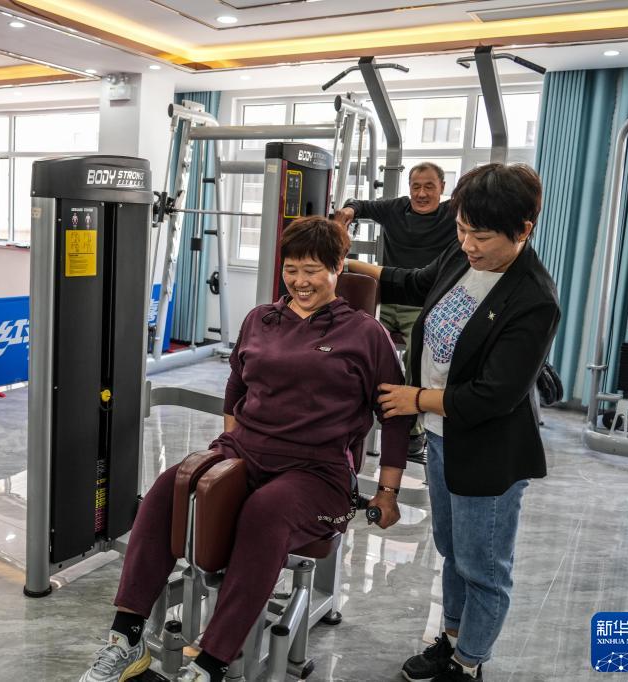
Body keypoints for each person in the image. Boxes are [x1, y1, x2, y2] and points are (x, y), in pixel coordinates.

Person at [79, 216, 411, 682]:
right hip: (246, 451)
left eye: (312, 270)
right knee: (166, 489)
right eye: (291, 269)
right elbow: (236, 386)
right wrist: (233, 446)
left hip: (317, 471)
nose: (300, 281)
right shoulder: (261, 319)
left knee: (265, 513)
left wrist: (388, 492)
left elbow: (396, 416)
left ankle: (211, 664)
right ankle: (126, 638)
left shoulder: (366, 334)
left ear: (338, 268)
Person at [345, 163, 560, 682]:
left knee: (483, 566)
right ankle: (452, 638)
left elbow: (493, 396)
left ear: (523, 229)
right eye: (462, 230)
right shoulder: (462, 254)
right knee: (452, 551)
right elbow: (415, 282)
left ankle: (468, 663)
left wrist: (416, 398)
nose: (467, 244)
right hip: (443, 438)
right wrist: (345, 263)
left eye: (480, 236)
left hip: (488, 450)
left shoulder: (533, 299)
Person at [332, 162, 458, 456]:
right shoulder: (396, 209)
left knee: (420, 354)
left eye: (429, 187)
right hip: (385, 302)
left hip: (423, 306)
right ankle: (346, 416)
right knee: (354, 342)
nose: (422, 194)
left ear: (442, 188)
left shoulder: (452, 214)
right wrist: (348, 212)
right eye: (416, 186)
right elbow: (359, 204)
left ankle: (411, 429)